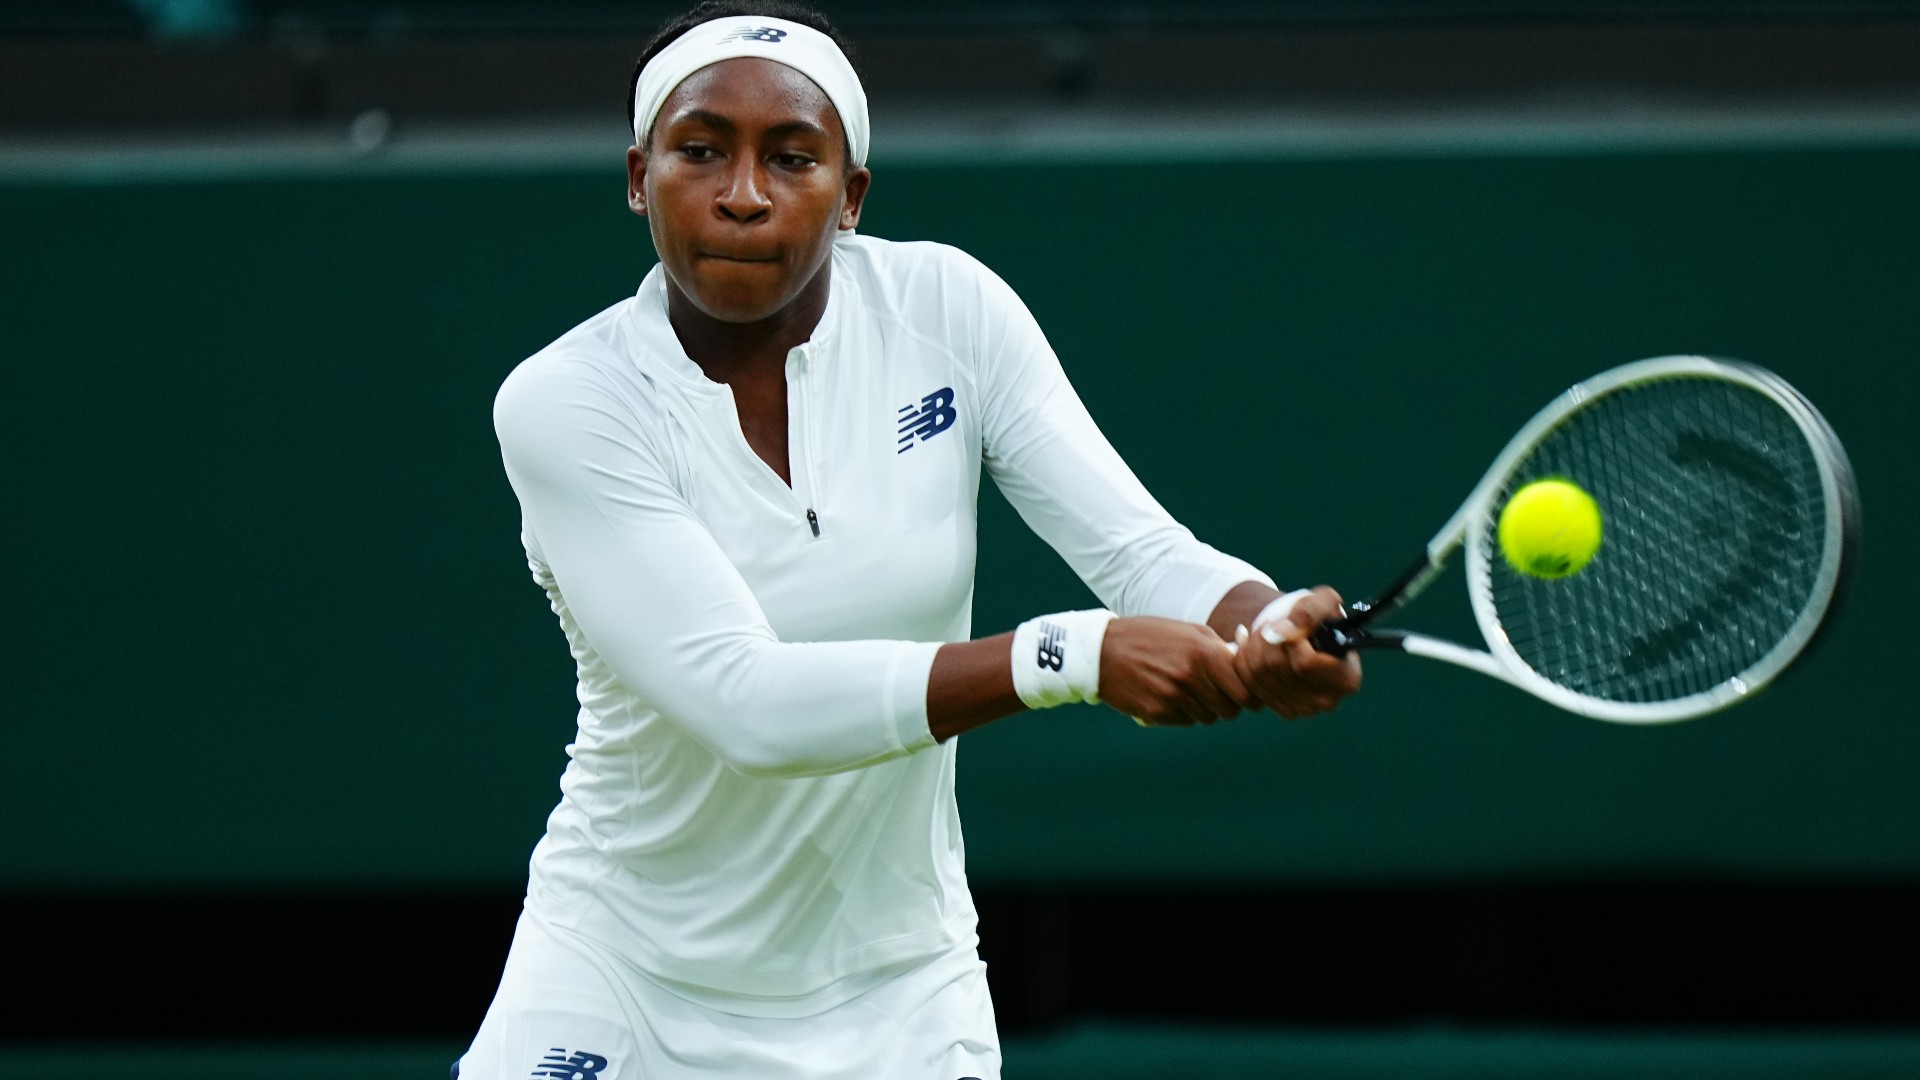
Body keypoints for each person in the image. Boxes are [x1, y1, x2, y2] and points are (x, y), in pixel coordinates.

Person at [455, 4, 1362, 1077]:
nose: (743, 194)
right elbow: (746, 704)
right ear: (640, 176)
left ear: (851, 199)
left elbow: (1141, 552)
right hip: (621, 984)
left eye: (792, 159)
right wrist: (1069, 657)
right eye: (701, 150)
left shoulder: (949, 308)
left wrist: (1262, 623)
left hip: (898, 998)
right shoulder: (568, 401)